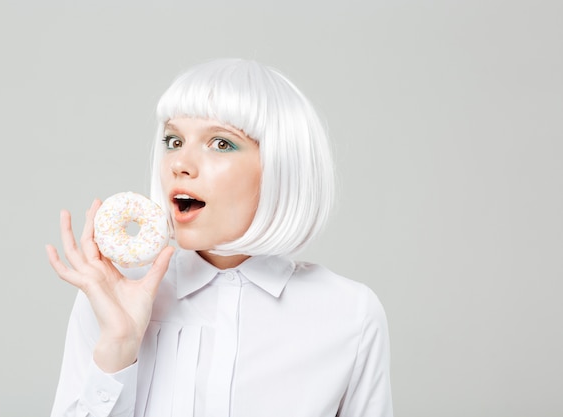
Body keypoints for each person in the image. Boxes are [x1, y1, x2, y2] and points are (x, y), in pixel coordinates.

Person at [46, 58, 393, 417]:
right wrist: (118, 347)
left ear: (280, 165)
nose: (180, 163)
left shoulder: (349, 313)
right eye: (173, 140)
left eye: (221, 144)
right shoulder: (111, 295)